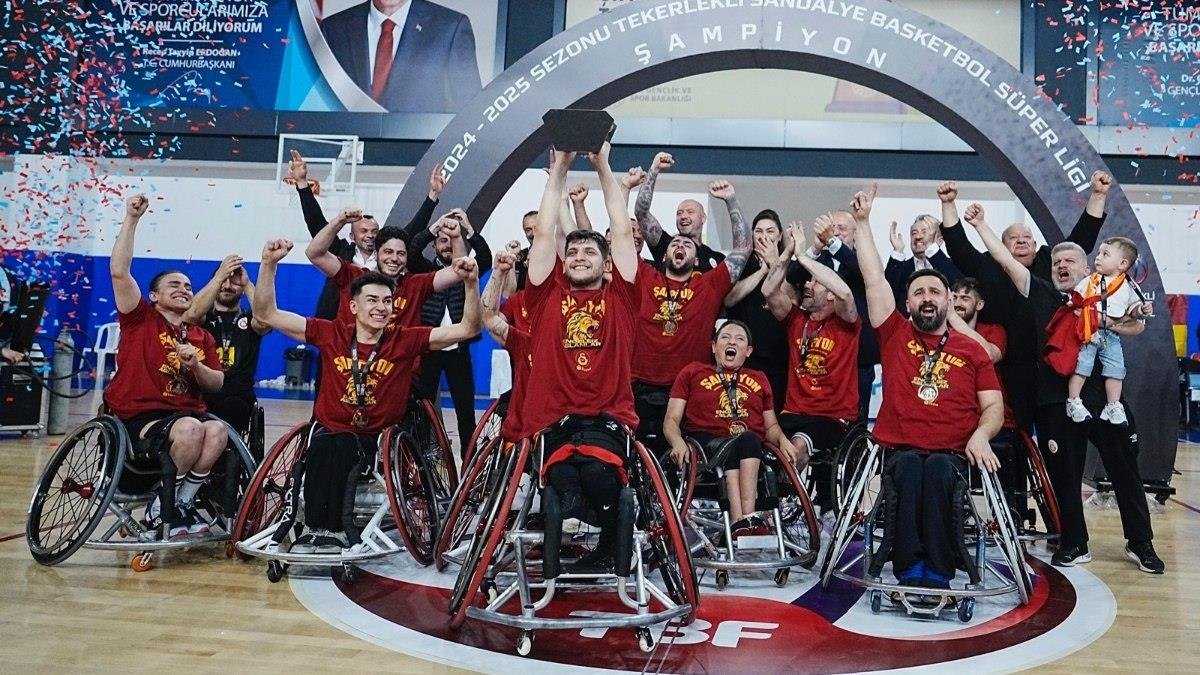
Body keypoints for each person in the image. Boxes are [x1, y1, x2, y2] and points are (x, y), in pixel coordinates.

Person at [961, 204, 1163, 573]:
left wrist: (1105, 322)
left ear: (1087, 269)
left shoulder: (1105, 295)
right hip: (1055, 401)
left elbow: (1138, 326)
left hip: (1102, 399)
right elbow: (1005, 259)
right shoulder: (1041, 293)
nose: (1062, 265)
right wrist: (981, 225)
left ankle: (1141, 543)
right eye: (1056, 262)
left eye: (1070, 261)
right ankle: (1074, 542)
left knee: (1124, 470)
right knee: (1064, 477)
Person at [252, 238, 481, 552]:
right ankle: (315, 527)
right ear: (353, 307)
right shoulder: (331, 333)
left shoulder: (404, 339)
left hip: (375, 438)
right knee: (324, 446)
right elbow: (266, 313)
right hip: (328, 429)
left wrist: (471, 284)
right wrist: (268, 264)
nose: (381, 308)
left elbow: (467, 329)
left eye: (387, 301)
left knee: (342, 446)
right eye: (372, 300)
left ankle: (334, 530)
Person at [852, 183, 1004, 590]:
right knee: (908, 469)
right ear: (907, 304)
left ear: (949, 301)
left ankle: (937, 570)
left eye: (935, 291)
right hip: (899, 450)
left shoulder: (971, 350)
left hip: (953, 453)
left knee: (936, 470)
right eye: (918, 292)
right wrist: (863, 224)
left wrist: (982, 436)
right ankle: (909, 568)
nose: (927, 297)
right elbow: (873, 279)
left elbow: (993, 406)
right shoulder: (894, 333)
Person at [522, 141, 640, 572]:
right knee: (564, 479)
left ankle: (608, 545)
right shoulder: (545, 297)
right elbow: (544, 233)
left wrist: (603, 165)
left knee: (595, 473)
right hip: (555, 420)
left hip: (607, 420)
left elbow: (621, 231)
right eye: (572, 252)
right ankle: (571, 540)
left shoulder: (622, 298)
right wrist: (559, 171)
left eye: (589, 251)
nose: (578, 256)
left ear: (606, 264)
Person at [937, 171, 1112, 429]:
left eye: (1027, 237)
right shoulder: (988, 264)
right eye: (1013, 238)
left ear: (1035, 243)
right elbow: (958, 246)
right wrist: (948, 204)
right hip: (1009, 369)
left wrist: (1097, 195)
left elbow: (1081, 240)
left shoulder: (1050, 260)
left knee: (1060, 435)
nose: (1021, 241)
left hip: (1055, 368)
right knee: (1016, 432)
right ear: (1000, 246)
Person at [105, 194, 229, 540]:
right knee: (191, 430)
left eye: (188, 286)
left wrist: (196, 367)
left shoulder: (201, 336)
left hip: (184, 415)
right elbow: (119, 271)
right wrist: (132, 219)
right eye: (174, 284)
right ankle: (165, 505)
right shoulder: (139, 319)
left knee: (217, 432)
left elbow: (216, 383)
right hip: (139, 418)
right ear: (154, 296)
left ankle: (179, 502)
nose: (184, 289)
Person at [630, 178, 751, 451]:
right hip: (640, 385)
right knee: (637, 457)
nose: (680, 246)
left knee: (683, 457)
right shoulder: (645, 277)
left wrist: (731, 199)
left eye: (687, 245)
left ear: (696, 260)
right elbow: (633, 223)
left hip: (687, 386)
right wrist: (650, 174)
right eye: (674, 243)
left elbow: (743, 247)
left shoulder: (708, 285)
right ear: (664, 256)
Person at [664, 321, 801, 537]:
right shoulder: (692, 372)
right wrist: (677, 441)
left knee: (747, 441)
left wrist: (783, 440)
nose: (732, 342)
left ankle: (741, 523)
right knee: (744, 441)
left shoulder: (759, 378)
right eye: (726, 337)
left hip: (750, 448)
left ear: (748, 351)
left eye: (739, 339)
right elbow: (671, 419)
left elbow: (771, 426)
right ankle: (745, 519)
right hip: (706, 445)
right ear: (713, 346)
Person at [761, 222, 860, 513]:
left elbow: (845, 294)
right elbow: (769, 289)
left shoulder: (847, 324)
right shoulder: (796, 320)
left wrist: (804, 257)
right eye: (807, 281)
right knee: (752, 441)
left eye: (814, 283)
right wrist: (789, 252)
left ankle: (782, 508)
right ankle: (757, 509)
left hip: (832, 418)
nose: (806, 284)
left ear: (829, 293)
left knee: (797, 447)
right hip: (792, 412)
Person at [288, 149, 444, 318]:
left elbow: (413, 229)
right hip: (338, 323)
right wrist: (302, 184)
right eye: (363, 231)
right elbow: (317, 224)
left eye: (374, 231)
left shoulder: (386, 257)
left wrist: (433, 195)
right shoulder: (341, 252)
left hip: (377, 323)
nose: (370, 235)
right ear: (352, 236)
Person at [306, 207, 464, 328]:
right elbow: (314, 254)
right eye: (388, 252)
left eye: (401, 253)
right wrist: (339, 221)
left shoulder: (415, 285)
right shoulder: (353, 276)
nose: (394, 258)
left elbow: (457, 272)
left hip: (400, 361)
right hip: (351, 359)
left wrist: (456, 237)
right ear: (377, 253)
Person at [417, 209, 493, 458]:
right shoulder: (425, 271)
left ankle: (469, 460)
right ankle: (422, 457)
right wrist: (434, 228)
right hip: (429, 348)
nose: (447, 245)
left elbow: (486, 256)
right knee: (422, 406)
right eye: (442, 240)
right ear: (434, 245)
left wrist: (468, 228)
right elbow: (412, 250)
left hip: (458, 351)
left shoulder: (468, 269)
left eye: (452, 240)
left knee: (465, 408)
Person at [320, 0, 481, 113]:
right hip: (348, 150)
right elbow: (321, 104)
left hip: (419, 151)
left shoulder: (451, 28)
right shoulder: (333, 29)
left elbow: (469, 114)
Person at [182, 255, 271, 449]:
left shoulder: (251, 319)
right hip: (203, 391)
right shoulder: (203, 318)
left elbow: (266, 320)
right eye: (224, 280)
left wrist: (247, 284)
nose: (228, 286)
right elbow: (191, 314)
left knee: (233, 405)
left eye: (234, 282)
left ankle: (225, 457)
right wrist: (218, 277)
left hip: (238, 396)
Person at [801, 209, 879, 422]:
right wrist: (815, 248)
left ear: (855, 233)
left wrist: (833, 242)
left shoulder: (864, 260)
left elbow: (863, 273)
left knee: (856, 418)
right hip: (819, 352)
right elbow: (793, 276)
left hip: (858, 356)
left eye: (841, 228)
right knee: (819, 417)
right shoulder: (819, 258)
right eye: (831, 228)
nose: (834, 233)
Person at [1064, 236, 1150, 425]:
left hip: (1111, 335)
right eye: (1099, 253)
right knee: (1083, 365)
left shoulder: (1129, 286)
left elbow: (1133, 311)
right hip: (1089, 331)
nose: (1098, 257)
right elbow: (1075, 301)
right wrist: (1072, 307)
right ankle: (1073, 401)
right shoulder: (1089, 281)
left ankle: (1113, 406)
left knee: (1116, 369)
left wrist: (1141, 310)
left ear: (1122, 264)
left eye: (1105, 254)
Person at [723, 209, 796, 411]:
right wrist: (762, 271)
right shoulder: (740, 263)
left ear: (780, 236)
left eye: (770, 231)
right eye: (759, 231)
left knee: (774, 415)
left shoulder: (791, 265)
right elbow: (729, 299)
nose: (764, 236)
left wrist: (775, 265)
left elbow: (793, 303)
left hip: (779, 355)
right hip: (744, 355)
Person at [635, 152, 726, 272]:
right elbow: (641, 212)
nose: (683, 216)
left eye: (690, 212)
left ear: (703, 218)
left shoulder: (717, 259)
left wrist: (730, 199)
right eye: (679, 213)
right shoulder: (667, 245)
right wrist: (654, 169)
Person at [480, 248, 532, 445]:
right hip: (522, 376)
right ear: (526, 264)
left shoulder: (566, 301)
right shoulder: (518, 300)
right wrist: (498, 273)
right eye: (532, 260)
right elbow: (490, 319)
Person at [885, 215, 961, 313]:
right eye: (914, 233)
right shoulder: (900, 268)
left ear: (940, 240)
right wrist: (898, 251)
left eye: (924, 232)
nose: (918, 237)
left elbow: (960, 290)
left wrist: (931, 249)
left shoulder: (952, 265)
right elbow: (883, 298)